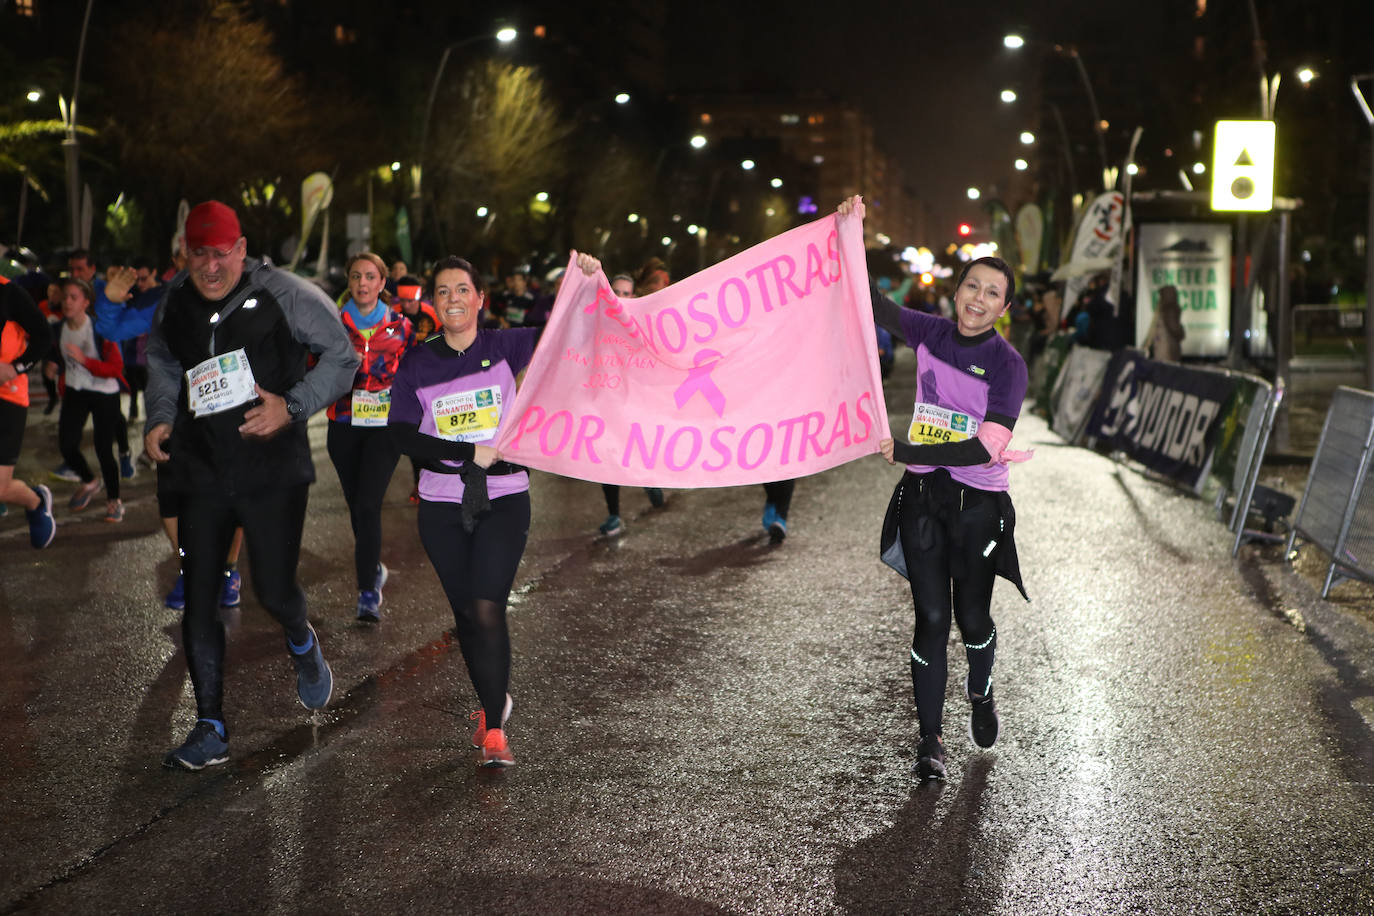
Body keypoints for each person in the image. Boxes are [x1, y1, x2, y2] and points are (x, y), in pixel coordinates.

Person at [144, 200, 359, 770]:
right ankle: (210, 726)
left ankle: (300, 638)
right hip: (203, 470)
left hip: (272, 472)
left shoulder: (287, 293)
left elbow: (342, 358)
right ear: (184, 253)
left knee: (274, 590)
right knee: (200, 595)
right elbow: (163, 361)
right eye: (198, 254)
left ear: (241, 249)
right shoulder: (176, 299)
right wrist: (160, 418)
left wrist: (290, 407)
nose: (210, 267)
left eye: (221, 254)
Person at [840, 197, 1029, 782]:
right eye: (972, 286)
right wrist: (853, 231)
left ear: (1004, 307)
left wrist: (912, 450)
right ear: (957, 290)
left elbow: (985, 448)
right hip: (923, 498)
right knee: (929, 618)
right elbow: (869, 304)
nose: (978, 299)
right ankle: (930, 743)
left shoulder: (1007, 364)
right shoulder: (927, 331)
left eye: (992, 293)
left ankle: (981, 691)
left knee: (972, 618)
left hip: (978, 504)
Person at [389, 251, 601, 768]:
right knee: (466, 615)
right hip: (442, 502)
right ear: (433, 304)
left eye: (462, 289)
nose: (453, 299)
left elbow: (566, 331)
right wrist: (467, 452)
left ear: (481, 299)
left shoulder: (507, 345)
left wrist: (586, 282)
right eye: (443, 292)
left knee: (487, 607)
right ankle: (493, 696)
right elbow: (399, 434)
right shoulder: (419, 360)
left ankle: (494, 728)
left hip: (504, 497)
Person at [326, 252, 415, 622]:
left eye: (370, 277)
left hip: (384, 428)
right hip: (343, 424)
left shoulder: (402, 327)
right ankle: (373, 568)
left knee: (367, 505)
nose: (363, 284)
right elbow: (314, 366)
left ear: (382, 283)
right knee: (357, 507)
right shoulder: (332, 324)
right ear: (349, 281)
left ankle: (367, 592)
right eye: (356, 277)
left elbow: (414, 374)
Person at [45, 278, 128, 521]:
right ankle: (91, 482)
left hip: (104, 393)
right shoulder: (58, 329)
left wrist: (85, 361)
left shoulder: (100, 329)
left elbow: (115, 368)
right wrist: (52, 366)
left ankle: (114, 500)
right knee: (67, 445)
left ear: (86, 302)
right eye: (65, 297)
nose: (67, 302)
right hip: (75, 391)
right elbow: (56, 355)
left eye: (73, 297)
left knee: (104, 449)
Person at [596, 272, 666, 537]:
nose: (621, 298)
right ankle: (613, 514)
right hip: (605, 399)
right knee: (608, 456)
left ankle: (647, 478)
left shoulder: (642, 322)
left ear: (634, 296)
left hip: (635, 400)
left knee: (636, 445)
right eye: (617, 292)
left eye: (627, 293)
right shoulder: (596, 320)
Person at [0, 275, 57, 547]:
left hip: (7, 397)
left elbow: (44, 337)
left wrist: (14, 368)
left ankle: (35, 501)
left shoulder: (8, 292)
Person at [1145, 284, 1186, 362]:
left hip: (1165, 350)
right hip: (1167, 350)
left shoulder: (1167, 309)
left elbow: (1173, 328)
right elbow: (1175, 329)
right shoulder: (1169, 309)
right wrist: (1181, 332)